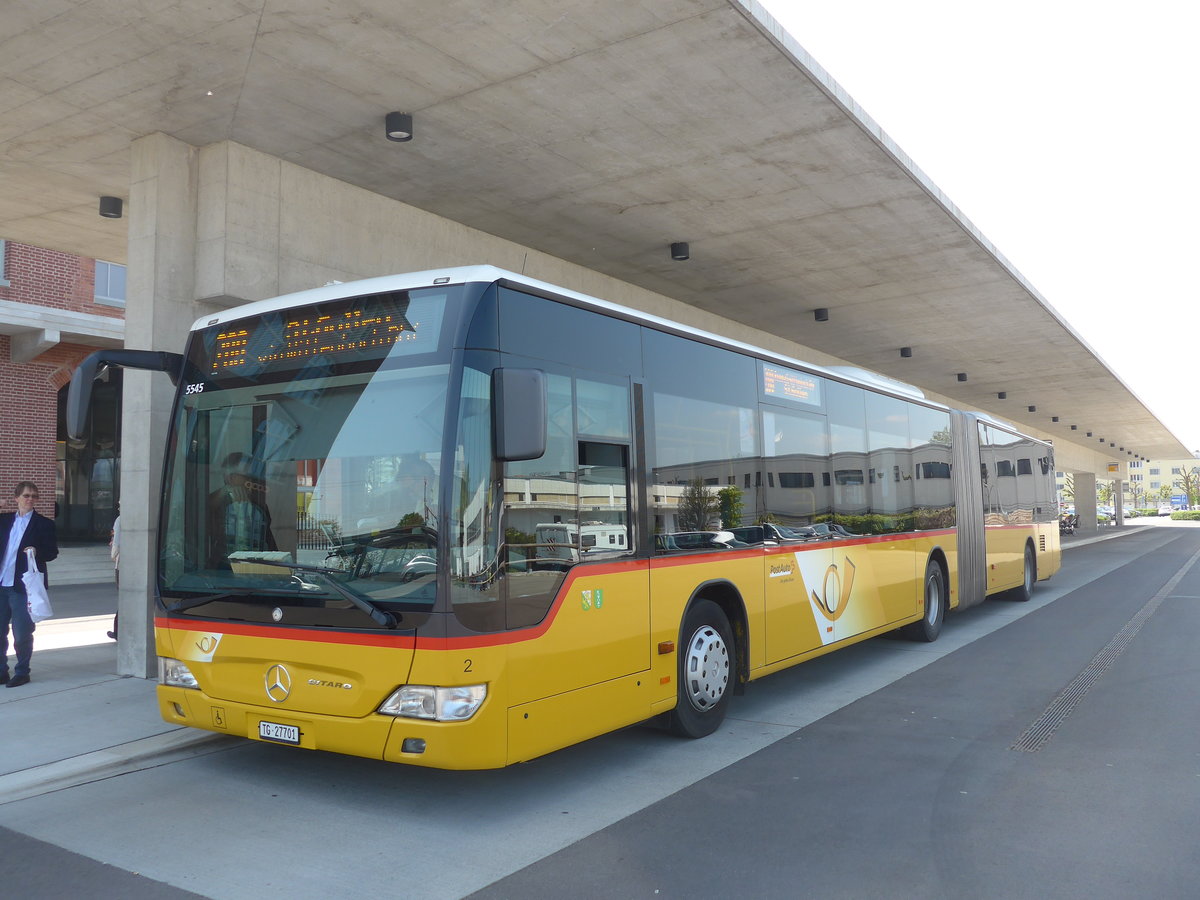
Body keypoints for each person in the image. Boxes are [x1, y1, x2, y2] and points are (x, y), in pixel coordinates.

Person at [0, 481, 59, 688]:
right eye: (26, 496)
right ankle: (1, 672)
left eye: (34, 496)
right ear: (16, 498)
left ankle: (22, 672)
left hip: (23, 588)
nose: (30, 499)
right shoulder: (4, 520)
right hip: (1, 585)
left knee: (22, 633)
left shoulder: (44, 524)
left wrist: (36, 551)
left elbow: (52, 553)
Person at [107, 513, 120, 640]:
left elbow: (116, 544)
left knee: (123, 600)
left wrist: (113, 555)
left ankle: (118, 631)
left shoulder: (120, 520)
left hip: (121, 566)